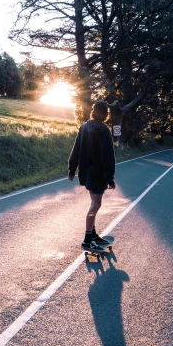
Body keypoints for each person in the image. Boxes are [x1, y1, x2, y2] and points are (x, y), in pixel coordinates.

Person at [68, 100, 116, 252]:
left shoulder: (84, 127)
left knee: (93, 202)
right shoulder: (104, 130)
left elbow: (76, 149)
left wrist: (71, 168)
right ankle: (87, 239)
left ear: (93, 111)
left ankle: (93, 235)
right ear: (106, 114)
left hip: (86, 172)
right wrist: (110, 177)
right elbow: (107, 156)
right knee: (95, 204)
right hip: (98, 173)